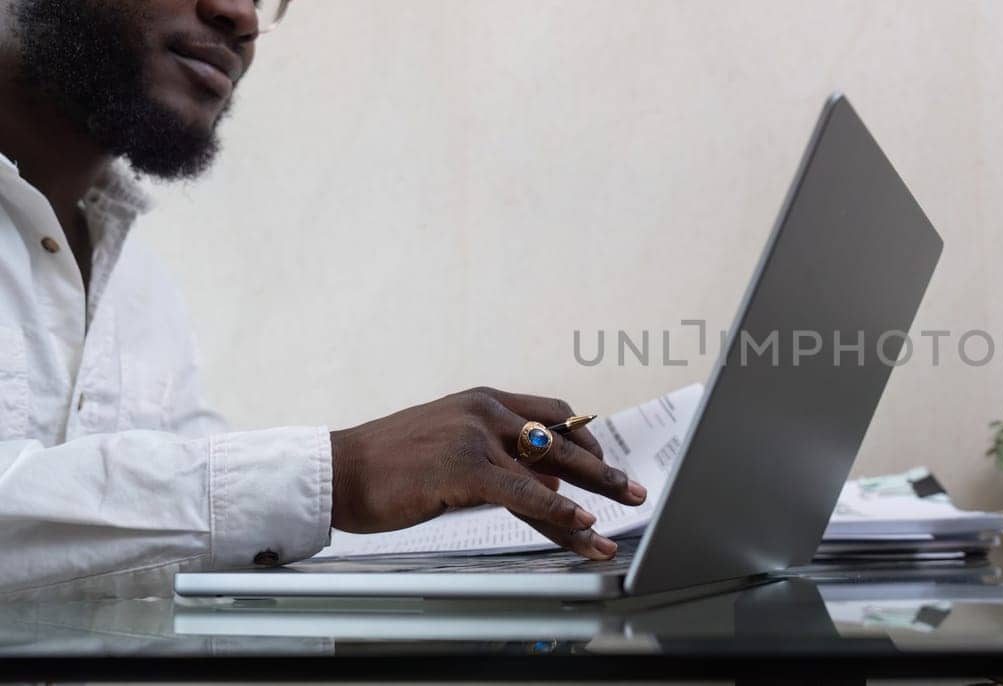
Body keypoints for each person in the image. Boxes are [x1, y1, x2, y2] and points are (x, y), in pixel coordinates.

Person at [0, 0, 644, 597]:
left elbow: (161, 555)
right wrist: (341, 474)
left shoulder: (140, 282)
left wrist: (445, 530)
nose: (241, 16)